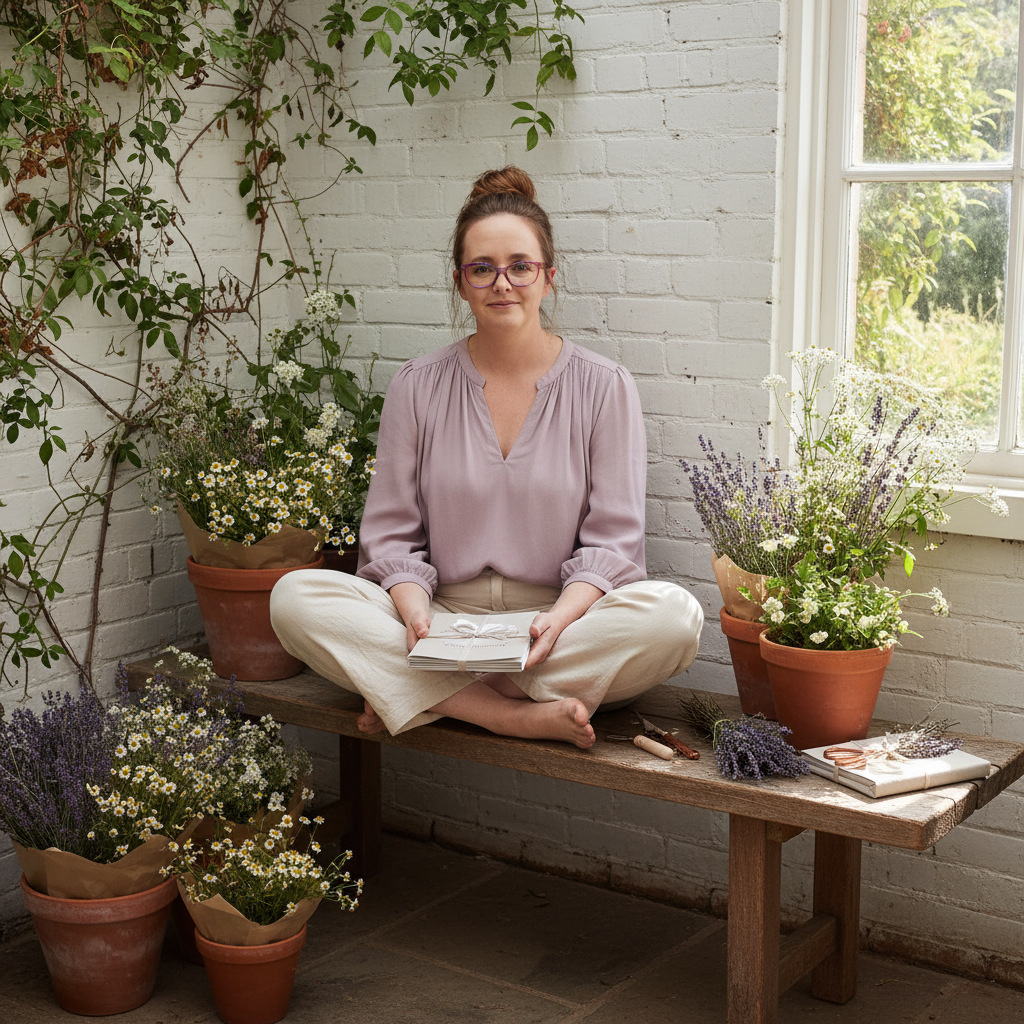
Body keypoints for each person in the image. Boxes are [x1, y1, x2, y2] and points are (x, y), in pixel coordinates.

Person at [270, 167, 703, 749]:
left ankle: (428, 697)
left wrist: (559, 619)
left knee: (673, 616)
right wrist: (418, 617)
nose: (503, 284)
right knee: (294, 598)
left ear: (549, 277)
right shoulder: (417, 385)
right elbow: (392, 538)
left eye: (520, 266)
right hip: (438, 621)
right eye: (483, 269)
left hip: (552, 632)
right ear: (460, 282)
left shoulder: (605, 386)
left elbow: (614, 546)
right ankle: (504, 713)